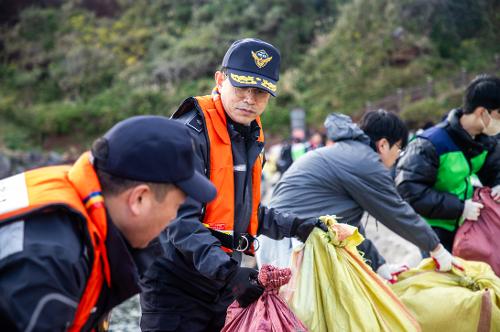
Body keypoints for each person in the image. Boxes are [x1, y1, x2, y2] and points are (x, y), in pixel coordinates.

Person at [139, 38, 325, 332]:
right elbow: (179, 222)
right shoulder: (187, 135)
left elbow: (241, 211)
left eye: (261, 91)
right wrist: (229, 274)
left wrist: (298, 226)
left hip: (221, 282)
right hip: (176, 284)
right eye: (242, 86)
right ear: (220, 79)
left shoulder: (248, 135)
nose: (250, 99)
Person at [0, 116, 217, 331]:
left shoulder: (71, 190)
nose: (173, 217)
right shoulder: (51, 263)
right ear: (139, 199)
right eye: (177, 205)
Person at [260, 110, 458, 282]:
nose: (399, 155)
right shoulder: (366, 163)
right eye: (399, 148)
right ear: (383, 144)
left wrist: (380, 266)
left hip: (277, 237)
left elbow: (349, 228)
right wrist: (437, 249)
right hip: (287, 244)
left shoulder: (349, 153)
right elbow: (398, 212)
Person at [396, 74, 500, 252]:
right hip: (435, 234)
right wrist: (460, 208)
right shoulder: (430, 144)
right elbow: (410, 191)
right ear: (482, 112)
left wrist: (498, 183)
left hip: (469, 227)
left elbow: (494, 169)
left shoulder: (484, 141)